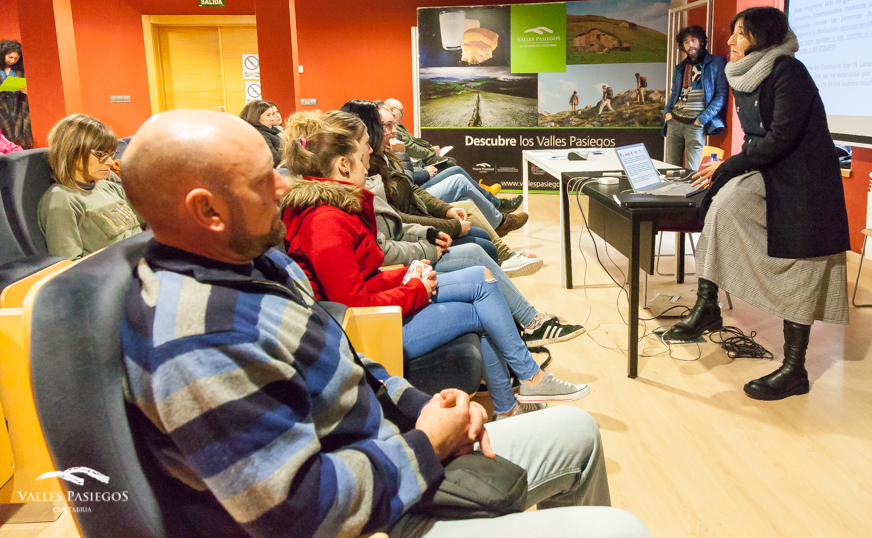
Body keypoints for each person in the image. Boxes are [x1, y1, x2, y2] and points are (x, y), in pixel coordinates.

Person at [119, 109, 650, 538]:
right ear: (208, 210)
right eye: (263, 180)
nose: (283, 186)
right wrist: (429, 445)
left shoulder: (258, 266)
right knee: (622, 529)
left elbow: (351, 362)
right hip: (378, 512)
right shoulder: (198, 339)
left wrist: (423, 407)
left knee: (579, 430)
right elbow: (297, 513)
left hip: (393, 451)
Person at [281, 118, 589, 419]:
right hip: (370, 332)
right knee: (483, 306)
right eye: (362, 159)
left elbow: (364, 277)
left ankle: (519, 395)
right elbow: (355, 305)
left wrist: (406, 274)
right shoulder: (325, 223)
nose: (367, 165)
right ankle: (522, 390)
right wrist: (414, 288)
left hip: (376, 314)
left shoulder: (334, 211)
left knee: (482, 278)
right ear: (343, 166)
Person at [663, 7, 850, 401]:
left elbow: (781, 136)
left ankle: (795, 370)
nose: (730, 41)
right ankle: (708, 307)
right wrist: (730, 169)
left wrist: (730, 165)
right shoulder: (746, 73)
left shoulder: (788, 72)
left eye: (740, 33)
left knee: (801, 265)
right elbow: (757, 138)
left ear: (761, 38)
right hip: (772, 170)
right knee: (722, 209)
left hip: (806, 183)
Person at [344, 100, 541, 276]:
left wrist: (446, 210)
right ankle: (502, 230)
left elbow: (409, 179)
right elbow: (405, 194)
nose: (394, 129)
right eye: (387, 125)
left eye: (394, 121)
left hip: (417, 210)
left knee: (459, 184)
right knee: (462, 188)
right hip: (416, 226)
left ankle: (503, 238)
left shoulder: (384, 155)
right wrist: (409, 159)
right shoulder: (372, 170)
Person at [37, 114, 142, 260]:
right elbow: (70, 263)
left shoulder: (109, 186)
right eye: (101, 154)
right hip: (116, 270)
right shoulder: (61, 199)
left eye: (111, 154)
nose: (111, 162)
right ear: (73, 152)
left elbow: (152, 222)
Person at [662, 25, 728, 170]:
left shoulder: (716, 63)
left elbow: (721, 95)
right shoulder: (680, 68)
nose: (690, 44)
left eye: (693, 40)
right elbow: (674, 94)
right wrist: (667, 112)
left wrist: (702, 120)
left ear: (702, 41)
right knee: (671, 169)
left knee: (692, 171)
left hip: (696, 125)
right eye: (686, 42)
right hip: (674, 122)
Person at [382, 97, 452, 167]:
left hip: (415, 165)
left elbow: (414, 143)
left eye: (393, 124)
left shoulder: (399, 128)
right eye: (401, 111)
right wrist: (432, 152)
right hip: (416, 165)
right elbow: (411, 149)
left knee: (451, 163)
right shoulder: (394, 133)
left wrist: (430, 148)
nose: (403, 115)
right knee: (451, 163)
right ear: (392, 110)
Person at [0, 39, 32, 148]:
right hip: (2, 105)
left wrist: (28, 91)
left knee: (22, 133)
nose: (13, 60)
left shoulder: (21, 70)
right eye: (10, 57)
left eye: (16, 58)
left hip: (19, 104)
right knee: (5, 135)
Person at [240, 99, 283, 165]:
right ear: (256, 117)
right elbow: (275, 162)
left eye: (272, 115)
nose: (272, 119)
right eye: (268, 115)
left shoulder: (271, 131)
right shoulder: (261, 136)